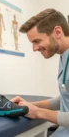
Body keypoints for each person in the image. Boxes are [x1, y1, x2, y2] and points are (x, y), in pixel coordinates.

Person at [11, 8, 69, 137]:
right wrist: (30, 105)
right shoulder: (64, 56)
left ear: (58, 32)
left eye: (37, 41)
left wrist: (38, 112)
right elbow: (66, 96)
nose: (34, 48)